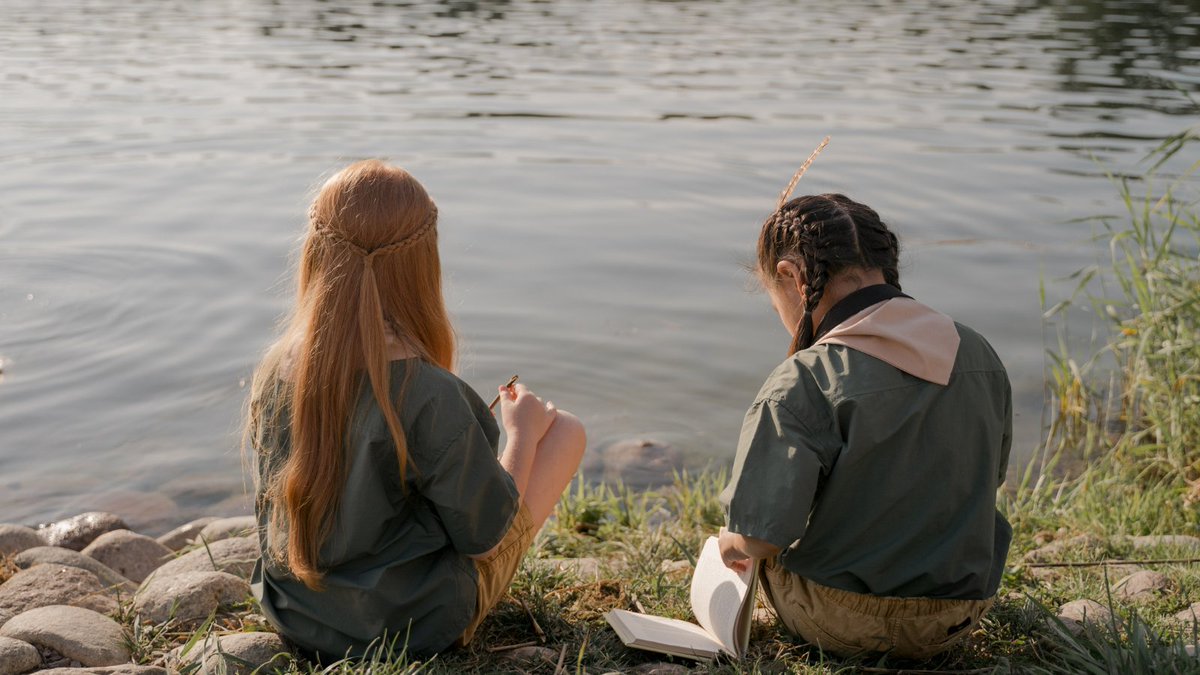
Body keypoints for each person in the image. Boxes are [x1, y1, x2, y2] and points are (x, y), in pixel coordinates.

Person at [245, 160, 586, 660]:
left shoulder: (276, 372)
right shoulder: (430, 393)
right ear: (422, 265)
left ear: (315, 255)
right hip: (406, 626)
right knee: (566, 433)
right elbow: (485, 539)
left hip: (295, 610)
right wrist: (520, 435)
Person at [717, 193, 1011, 659]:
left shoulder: (804, 379)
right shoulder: (978, 354)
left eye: (777, 305)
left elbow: (761, 536)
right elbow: (988, 478)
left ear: (791, 277)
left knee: (751, 541)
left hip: (843, 622)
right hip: (956, 615)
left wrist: (727, 540)